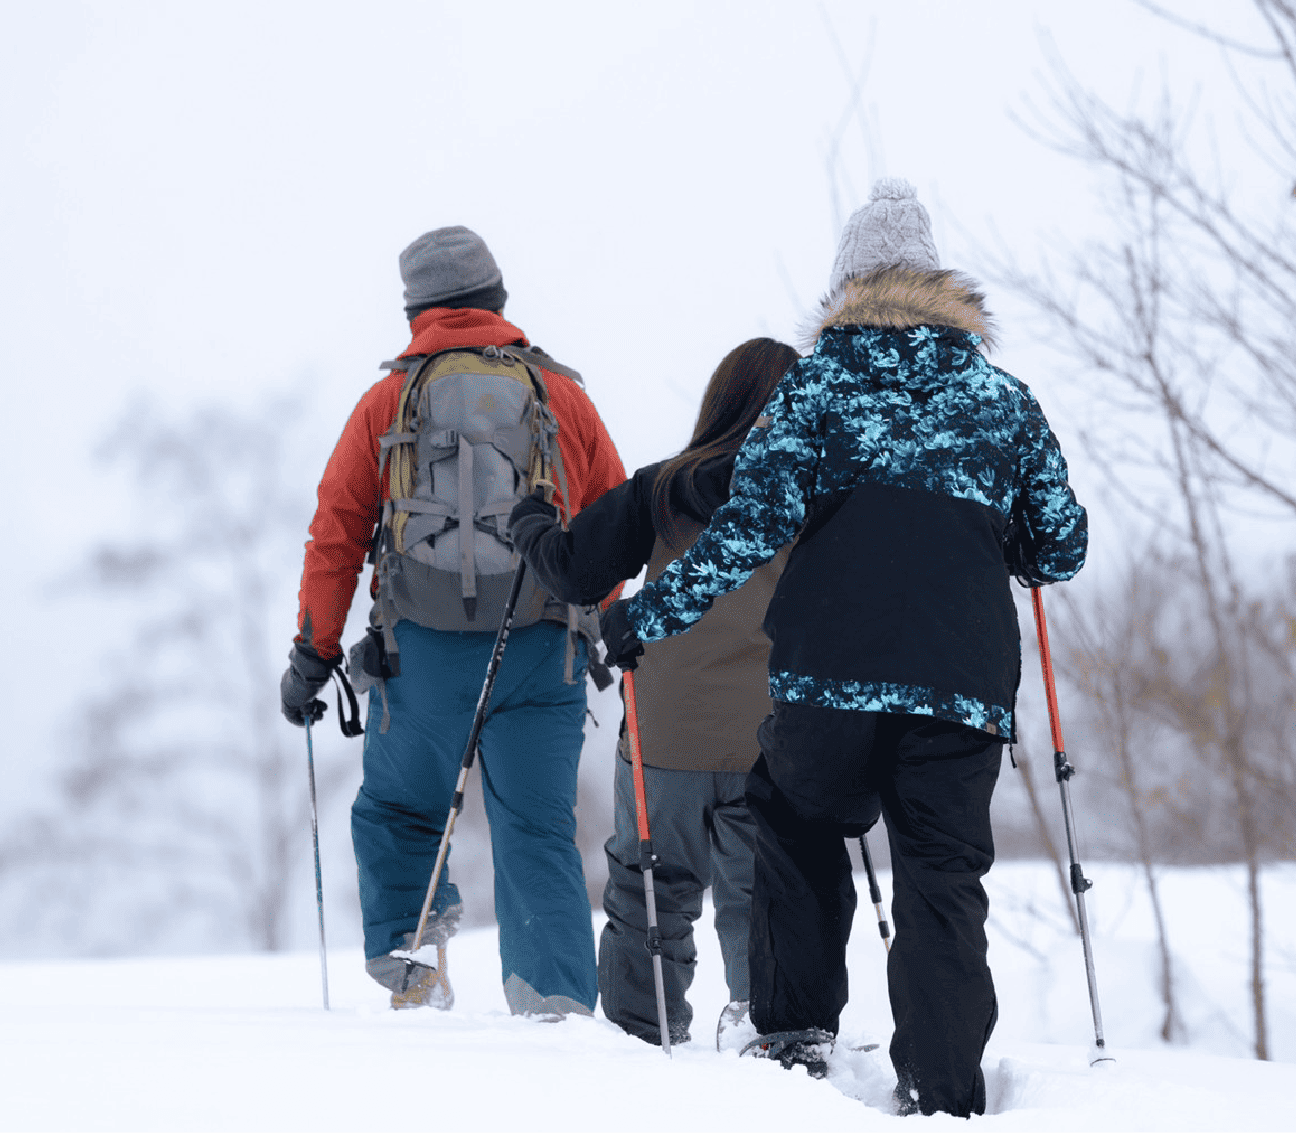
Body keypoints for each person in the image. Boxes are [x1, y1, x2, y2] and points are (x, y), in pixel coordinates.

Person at [599, 180, 1088, 1117]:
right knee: (943, 878)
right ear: (936, 282)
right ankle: (944, 1090)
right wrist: (1011, 538)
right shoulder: (1000, 399)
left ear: (846, 285)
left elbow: (742, 534)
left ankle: (791, 1044)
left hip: (829, 684)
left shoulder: (814, 391)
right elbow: (1060, 543)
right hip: (959, 692)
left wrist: (643, 618)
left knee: (794, 824)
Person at [280, 226, 626, 1017]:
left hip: (421, 657)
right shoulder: (559, 395)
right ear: (497, 299)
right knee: (537, 830)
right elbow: (613, 520)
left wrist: (312, 653)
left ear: (415, 312)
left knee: (401, 809)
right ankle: (555, 1009)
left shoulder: (386, 403)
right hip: (542, 653)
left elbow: (335, 532)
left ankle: (416, 979)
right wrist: (610, 626)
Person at [507, 337, 801, 1048]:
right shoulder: (809, 495)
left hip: (664, 725)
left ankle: (643, 1035)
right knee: (758, 893)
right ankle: (765, 1027)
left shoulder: (664, 487)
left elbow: (576, 573)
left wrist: (531, 524)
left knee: (650, 888)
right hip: (771, 734)